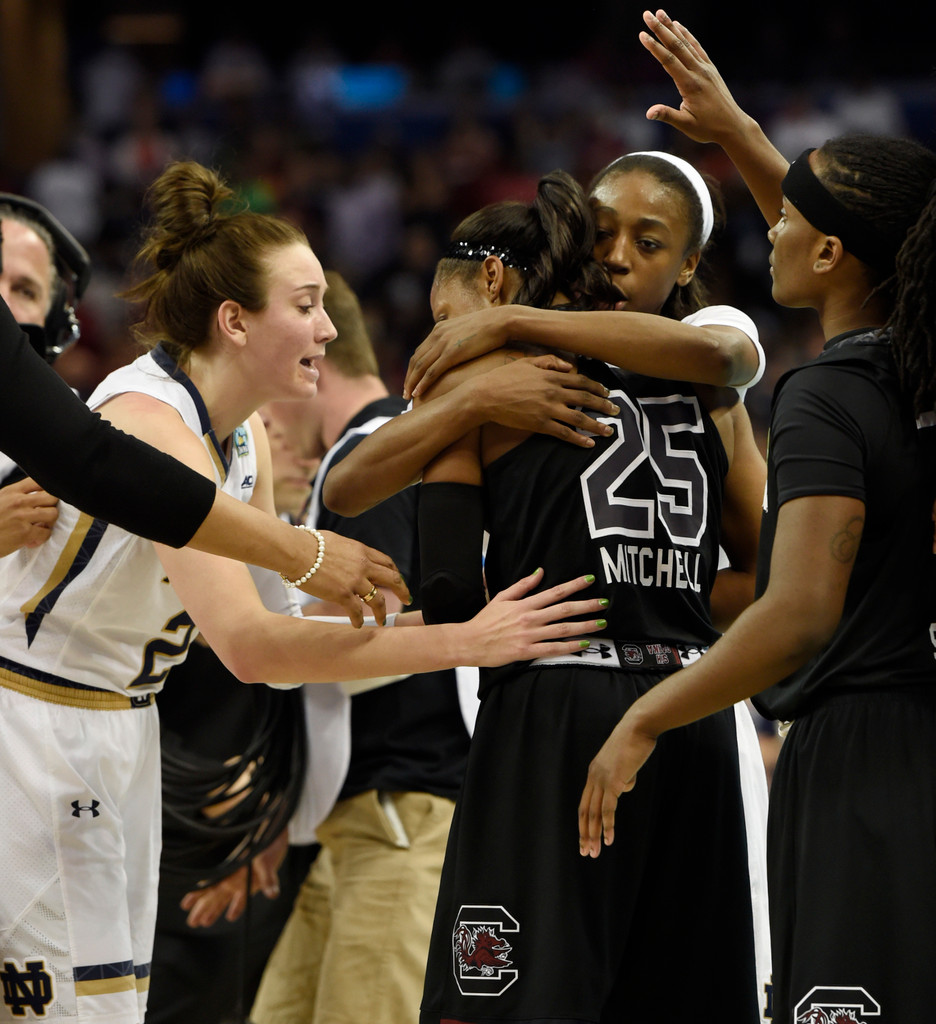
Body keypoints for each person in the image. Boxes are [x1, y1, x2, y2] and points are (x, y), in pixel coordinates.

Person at [0, 160, 606, 1024]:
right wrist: (462, 644)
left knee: (114, 1007)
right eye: (307, 304)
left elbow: (283, 637)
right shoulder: (151, 418)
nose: (329, 327)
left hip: (118, 731)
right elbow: (251, 647)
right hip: (34, 722)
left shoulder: (243, 435)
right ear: (235, 321)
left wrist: (443, 622)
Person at [331, 165, 769, 1021]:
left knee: (510, 1000)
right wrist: (656, 609)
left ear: (687, 262)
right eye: (604, 236)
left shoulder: (508, 368)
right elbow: (761, 579)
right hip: (690, 705)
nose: (618, 256)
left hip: (557, 702)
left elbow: (440, 581)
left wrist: (477, 385)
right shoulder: (713, 392)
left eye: (646, 242)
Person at [576, 11, 936, 1023]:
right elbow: (858, 240)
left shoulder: (826, 394)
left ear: (831, 254)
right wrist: (735, 130)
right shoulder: (917, 366)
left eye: (789, 221)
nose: (768, 226)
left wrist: (648, 714)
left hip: (863, 752)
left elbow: (800, 613)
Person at [251, 271, 475, 1024]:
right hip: (362, 813)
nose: (264, 422)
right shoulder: (385, 444)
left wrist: (257, 627)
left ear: (314, 362)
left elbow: (381, 623)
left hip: (401, 810)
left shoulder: (373, 448)